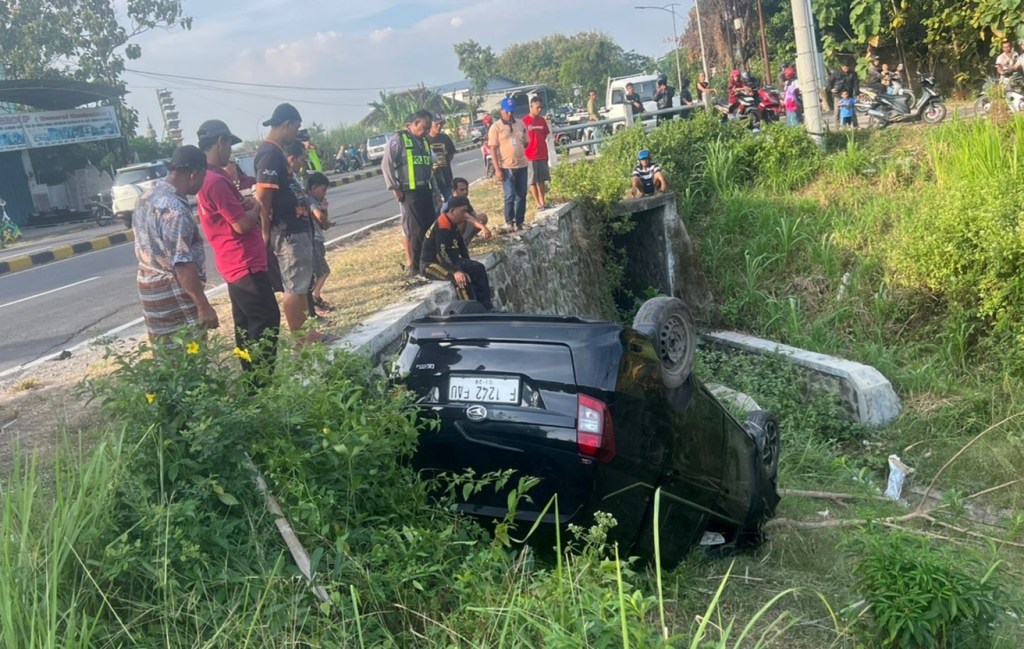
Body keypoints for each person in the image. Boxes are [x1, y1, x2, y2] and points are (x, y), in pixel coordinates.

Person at [196, 119, 280, 376]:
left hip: (235, 263)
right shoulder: (215, 181)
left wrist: (246, 204)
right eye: (229, 145)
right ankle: (261, 382)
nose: (230, 151)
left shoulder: (210, 177)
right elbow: (242, 225)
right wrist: (256, 204)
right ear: (220, 141)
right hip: (245, 263)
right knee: (266, 321)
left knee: (245, 325)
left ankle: (251, 379)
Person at [255, 102, 330, 343]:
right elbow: (264, 199)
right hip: (286, 232)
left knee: (300, 285)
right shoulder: (269, 153)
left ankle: (308, 332)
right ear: (287, 124)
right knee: (293, 287)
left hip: (296, 228)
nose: (296, 133)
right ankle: (300, 339)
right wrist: (265, 232)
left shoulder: (276, 152)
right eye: (296, 127)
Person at [132, 145, 219, 342]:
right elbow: (182, 264)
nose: (202, 182)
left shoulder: (146, 197)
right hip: (174, 292)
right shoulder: (175, 210)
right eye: (203, 177)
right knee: (190, 354)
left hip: (148, 288)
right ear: (193, 173)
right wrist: (203, 305)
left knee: (164, 354)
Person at [383, 110, 436, 275]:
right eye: (423, 128)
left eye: (428, 128)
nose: (426, 131)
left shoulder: (424, 141)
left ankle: (429, 262)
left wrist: (435, 191)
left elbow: (430, 167)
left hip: (425, 190)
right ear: (410, 125)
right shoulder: (399, 140)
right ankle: (416, 267)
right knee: (416, 230)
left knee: (430, 227)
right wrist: (395, 188)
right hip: (409, 192)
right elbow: (387, 165)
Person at [420, 195, 493, 310]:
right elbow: (441, 254)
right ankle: (470, 311)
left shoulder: (454, 223)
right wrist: (455, 271)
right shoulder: (442, 225)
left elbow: (461, 246)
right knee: (461, 279)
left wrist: (468, 262)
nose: (465, 215)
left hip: (451, 260)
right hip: (433, 264)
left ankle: (486, 307)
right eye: (462, 211)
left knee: (478, 268)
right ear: (452, 211)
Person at [487, 97, 529, 231]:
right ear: (501, 111)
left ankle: (520, 221)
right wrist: (497, 169)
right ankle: (509, 221)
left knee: (521, 194)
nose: (509, 114)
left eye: (511, 111)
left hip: (521, 165)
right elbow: (493, 148)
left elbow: (526, 142)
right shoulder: (496, 127)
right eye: (507, 111)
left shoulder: (520, 124)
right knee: (510, 195)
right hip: (506, 166)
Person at [305, 172, 333, 315]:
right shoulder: (309, 200)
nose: (324, 193)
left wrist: (325, 209)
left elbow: (323, 223)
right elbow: (320, 218)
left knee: (320, 271)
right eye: (323, 190)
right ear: (314, 187)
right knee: (322, 271)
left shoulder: (315, 201)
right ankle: (315, 298)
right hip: (313, 240)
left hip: (318, 239)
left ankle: (315, 298)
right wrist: (324, 215)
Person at [441, 177, 492, 245]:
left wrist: (480, 221)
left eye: (466, 189)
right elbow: (466, 217)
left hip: (462, 224)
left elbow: (473, 213)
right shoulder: (453, 201)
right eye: (462, 190)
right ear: (454, 191)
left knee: (482, 218)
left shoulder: (464, 199)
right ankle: (457, 242)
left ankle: (465, 240)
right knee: (462, 221)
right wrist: (483, 227)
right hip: (447, 231)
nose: (465, 192)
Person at [522, 96, 551, 210]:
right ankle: (537, 203)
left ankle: (543, 201)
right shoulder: (524, 121)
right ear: (531, 107)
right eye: (537, 107)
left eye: (541, 108)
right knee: (532, 180)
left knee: (542, 180)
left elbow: (545, 135)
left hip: (542, 154)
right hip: (530, 156)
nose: (539, 110)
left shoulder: (542, 120)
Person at [427, 114, 456, 202]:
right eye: (436, 124)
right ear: (430, 125)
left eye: (441, 124)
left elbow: (451, 155)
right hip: (432, 179)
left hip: (446, 177)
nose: (439, 126)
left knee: (451, 202)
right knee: (436, 205)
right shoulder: (425, 140)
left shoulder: (445, 138)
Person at [830, 62, 860, 127]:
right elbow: (829, 81)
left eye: (847, 66)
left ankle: (855, 126)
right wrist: (831, 89)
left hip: (849, 95)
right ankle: (837, 127)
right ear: (841, 66)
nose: (845, 67)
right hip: (838, 94)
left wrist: (857, 93)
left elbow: (856, 84)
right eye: (844, 66)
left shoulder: (853, 74)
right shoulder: (836, 73)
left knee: (852, 111)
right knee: (837, 111)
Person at [584, 89, 600, 155]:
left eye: (594, 94)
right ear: (589, 96)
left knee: (599, 135)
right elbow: (592, 113)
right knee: (596, 136)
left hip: (595, 120)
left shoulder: (594, 102)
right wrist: (598, 121)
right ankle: (597, 151)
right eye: (592, 95)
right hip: (593, 121)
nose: (594, 96)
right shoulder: (590, 102)